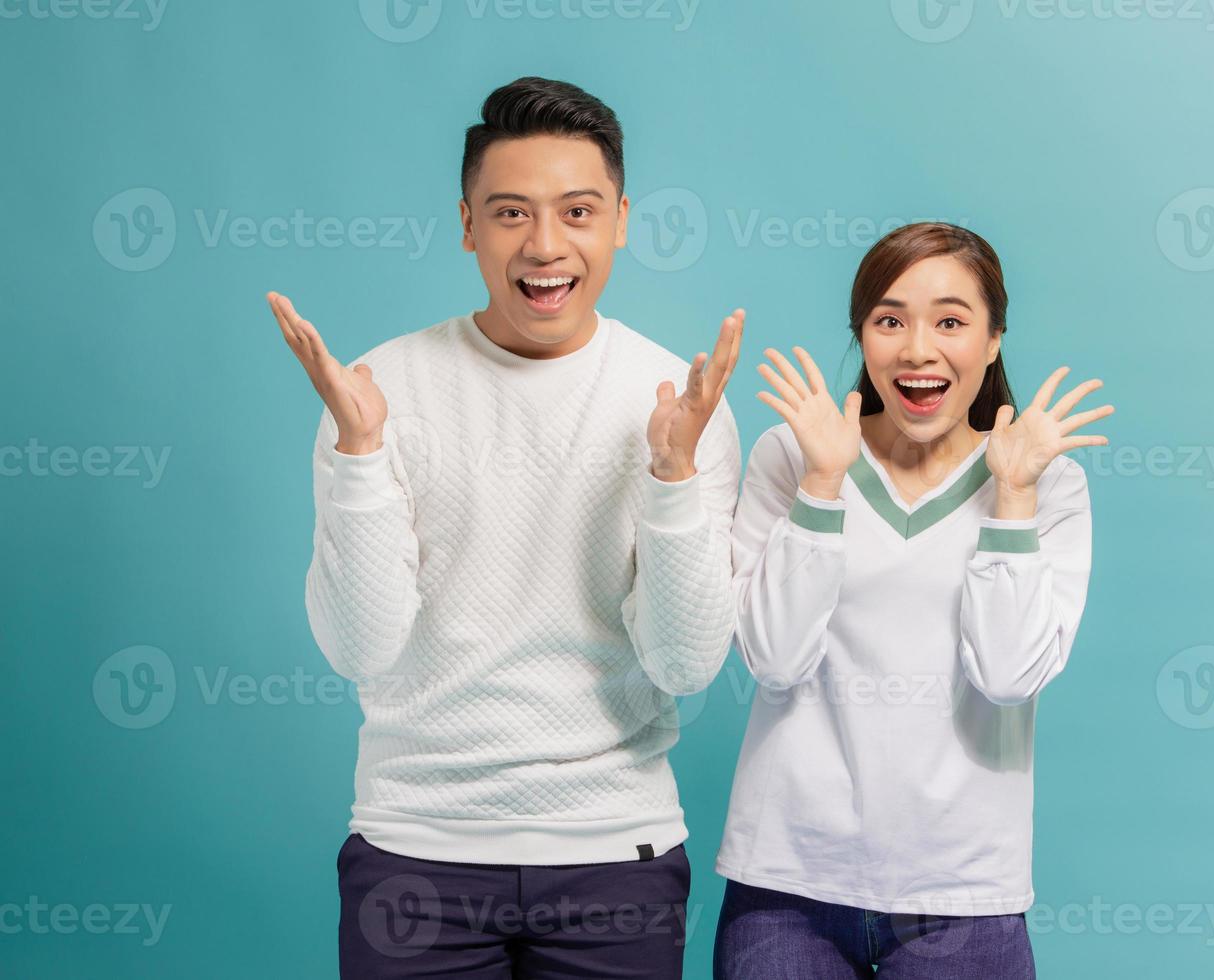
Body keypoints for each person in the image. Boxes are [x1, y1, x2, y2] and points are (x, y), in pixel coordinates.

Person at [267, 76, 744, 979]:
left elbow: (684, 665)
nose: (545, 245)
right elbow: (362, 649)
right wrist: (362, 454)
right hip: (414, 853)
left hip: (616, 855)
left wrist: (671, 479)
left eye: (576, 211)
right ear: (467, 225)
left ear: (621, 220)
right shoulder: (373, 390)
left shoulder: (676, 406)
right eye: (511, 213)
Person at [711, 222, 1113, 978]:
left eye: (951, 322)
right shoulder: (792, 454)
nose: (917, 349)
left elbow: (1007, 676)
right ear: (861, 335)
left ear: (993, 341)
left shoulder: (1043, 479)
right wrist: (823, 486)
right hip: (786, 885)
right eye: (889, 320)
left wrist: (1013, 497)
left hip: (964, 894)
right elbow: (772, 658)